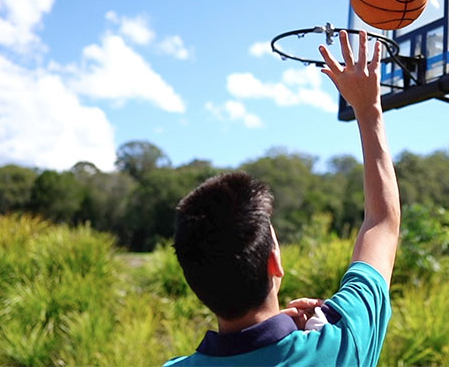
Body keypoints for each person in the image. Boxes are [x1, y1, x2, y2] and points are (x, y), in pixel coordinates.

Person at [164, 30, 400, 367]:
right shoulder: (340, 346)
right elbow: (382, 223)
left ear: (194, 282)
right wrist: (368, 110)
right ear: (274, 262)